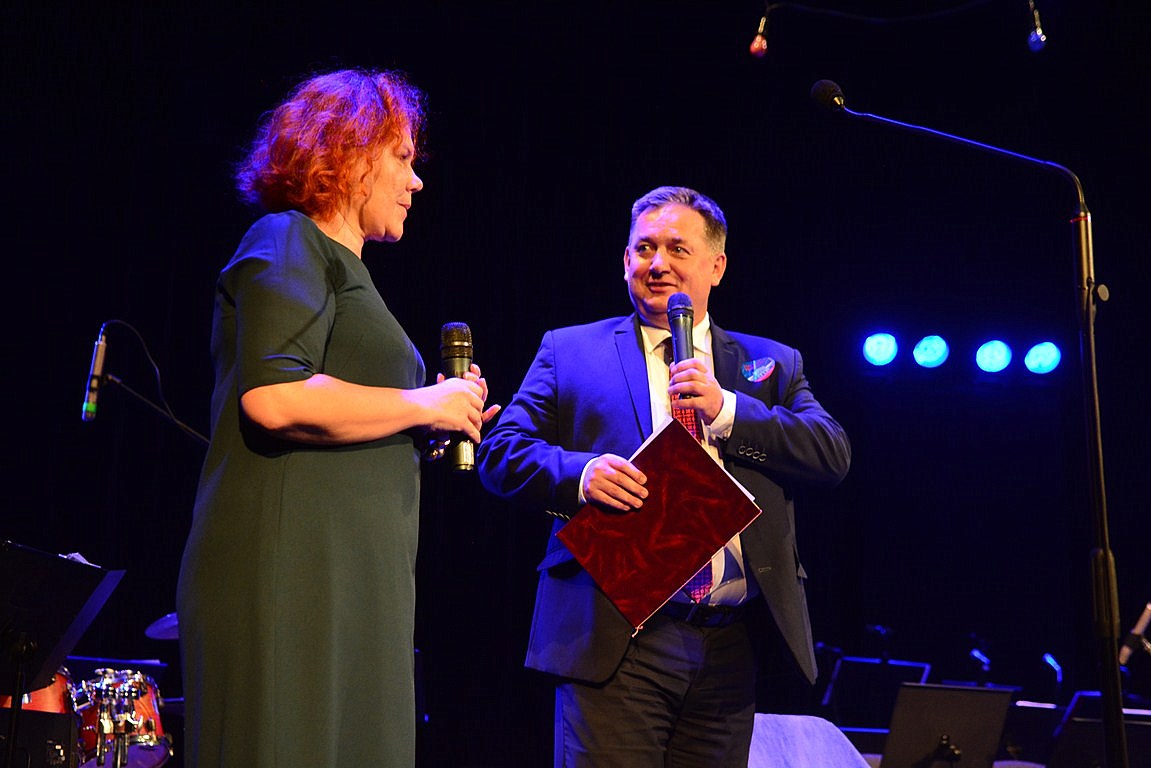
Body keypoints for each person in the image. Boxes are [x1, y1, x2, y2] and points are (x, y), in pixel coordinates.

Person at [176, 68, 497, 768]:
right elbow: (275, 397)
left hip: (355, 581)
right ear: (349, 155)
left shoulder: (350, 275)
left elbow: (346, 413)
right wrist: (421, 403)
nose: (416, 181)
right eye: (402, 157)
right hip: (292, 575)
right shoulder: (288, 239)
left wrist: (429, 424)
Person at [476, 186, 851, 767]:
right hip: (615, 632)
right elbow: (501, 452)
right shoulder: (571, 350)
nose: (658, 264)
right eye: (644, 248)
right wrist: (580, 475)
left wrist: (728, 410)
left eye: (678, 248)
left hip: (731, 643)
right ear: (626, 259)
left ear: (716, 266)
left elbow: (831, 452)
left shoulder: (772, 363)